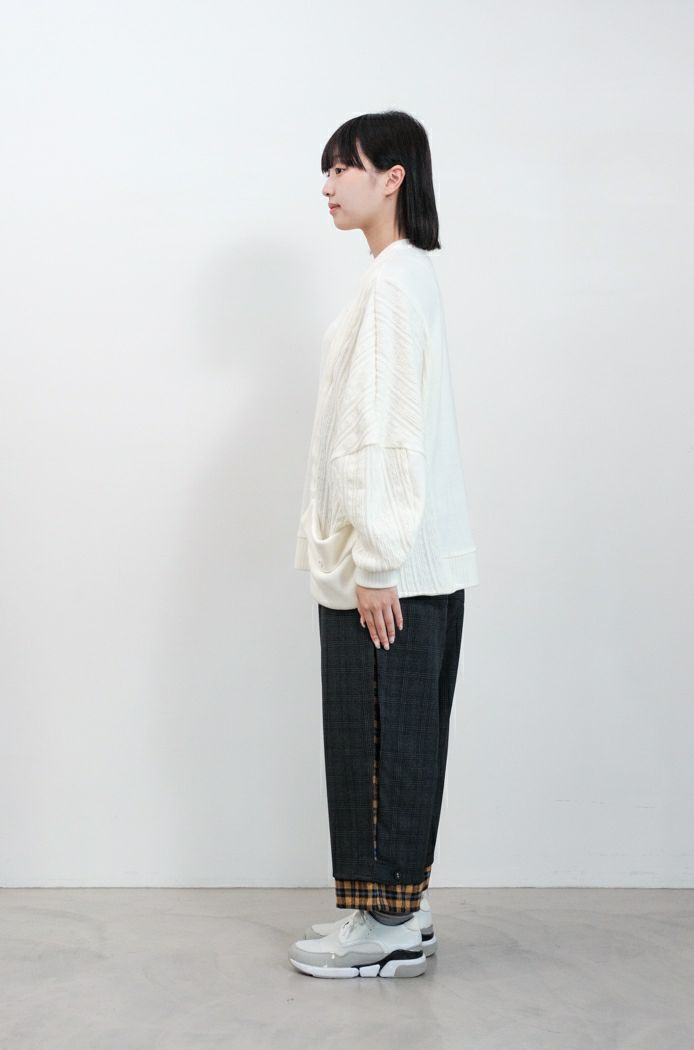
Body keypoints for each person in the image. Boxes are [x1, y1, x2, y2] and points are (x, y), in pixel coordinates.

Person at [288, 110, 479, 979]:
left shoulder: (393, 284)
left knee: (377, 740)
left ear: (393, 177)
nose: (328, 185)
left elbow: (383, 435)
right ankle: (401, 908)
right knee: (402, 739)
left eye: (345, 168)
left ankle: (386, 928)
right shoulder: (407, 276)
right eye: (326, 170)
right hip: (416, 563)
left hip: (389, 569)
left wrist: (375, 563)